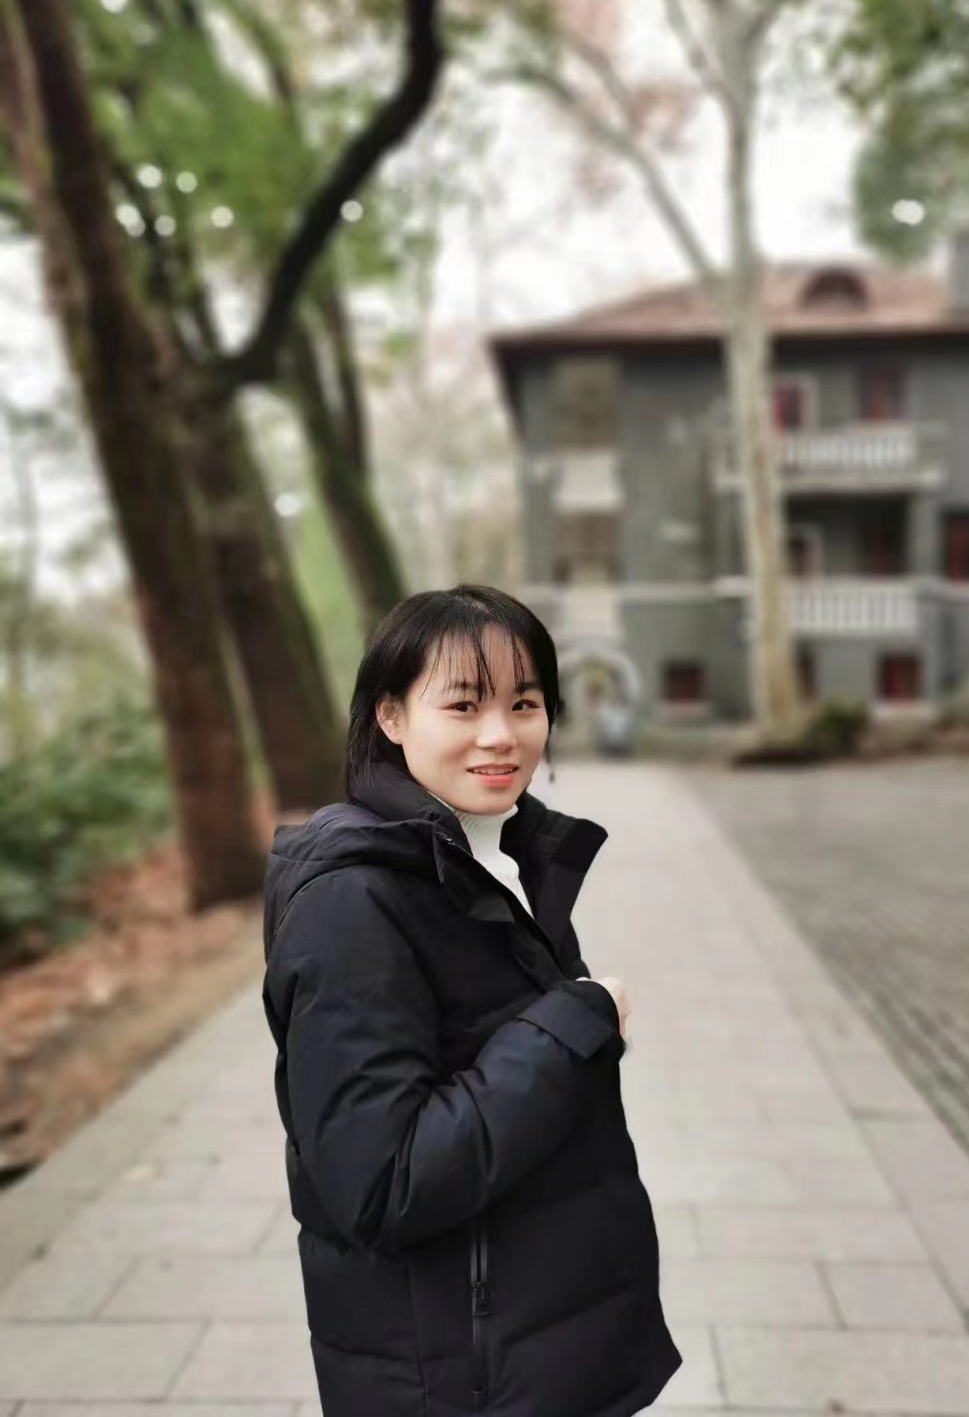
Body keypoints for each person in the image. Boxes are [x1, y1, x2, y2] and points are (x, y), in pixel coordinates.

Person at [261, 583, 682, 1417]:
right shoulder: (353, 904)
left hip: (534, 1347)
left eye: (524, 703)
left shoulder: (493, 856)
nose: (501, 734)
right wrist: (573, 1023)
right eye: (463, 705)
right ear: (390, 716)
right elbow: (384, 1180)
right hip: (458, 1379)